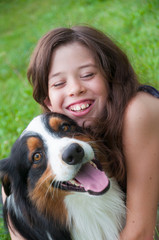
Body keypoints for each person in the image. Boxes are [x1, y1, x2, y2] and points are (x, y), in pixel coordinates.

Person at [3, 25, 159, 240]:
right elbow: (14, 184)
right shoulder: (75, 126)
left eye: (87, 74)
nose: (75, 89)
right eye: (59, 83)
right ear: (48, 102)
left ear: (110, 76)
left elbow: (140, 234)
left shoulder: (139, 111)